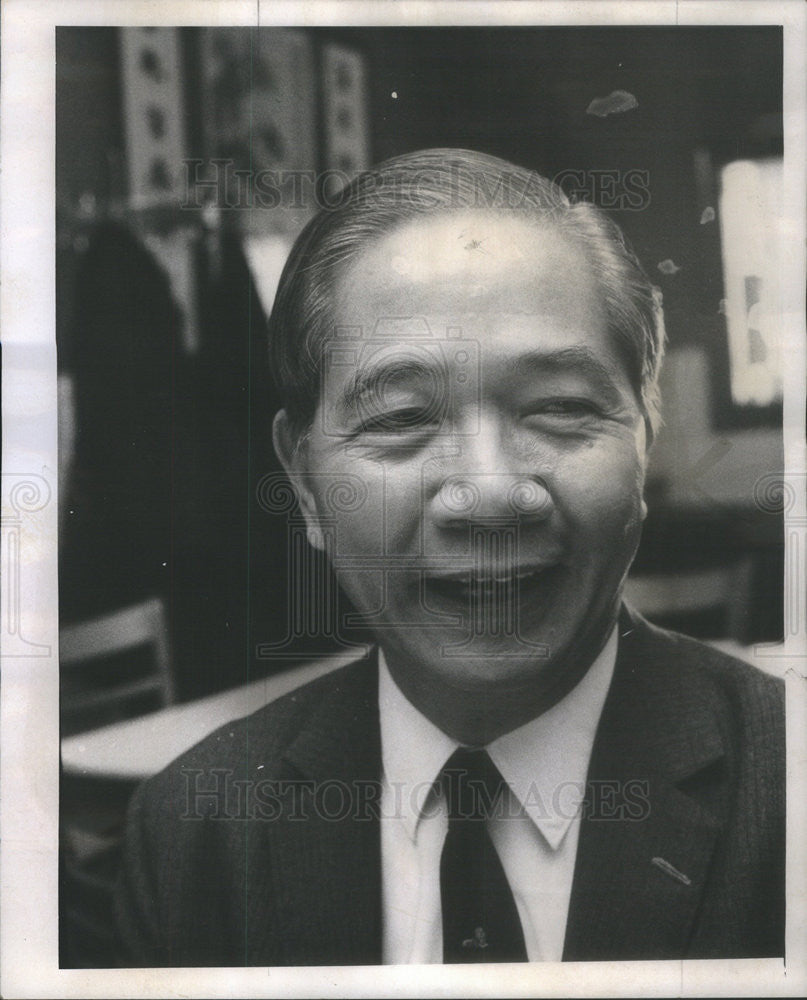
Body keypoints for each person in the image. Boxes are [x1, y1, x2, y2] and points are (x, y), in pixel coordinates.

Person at [114, 148, 784, 966]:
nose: (488, 494)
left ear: (643, 435)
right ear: (305, 483)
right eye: (399, 419)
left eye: (561, 407)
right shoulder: (192, 835)